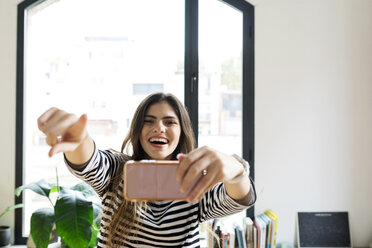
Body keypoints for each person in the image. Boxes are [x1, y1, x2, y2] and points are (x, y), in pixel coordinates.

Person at [37, 92, 256, 248]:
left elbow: (240, 197)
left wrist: (236, 169)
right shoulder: (117, 171)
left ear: (182, 132)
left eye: (170, 122)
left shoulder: (195, 184)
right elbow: (89, 160)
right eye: (149, 121)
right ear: (138, 131)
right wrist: (79, 139)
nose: (159, 127)